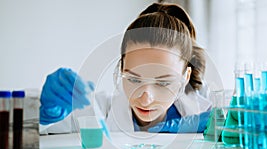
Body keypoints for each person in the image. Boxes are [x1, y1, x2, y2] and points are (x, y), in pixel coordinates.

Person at [39, 2, 214, 134]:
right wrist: (43, 114)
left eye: (163, 83)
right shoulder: (100, 111)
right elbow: (21, 129)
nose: (145, 99)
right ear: (122, 69)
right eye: (134, 79)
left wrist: (228, 125)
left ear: (186, 77)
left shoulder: (203, 108)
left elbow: (237, 122)